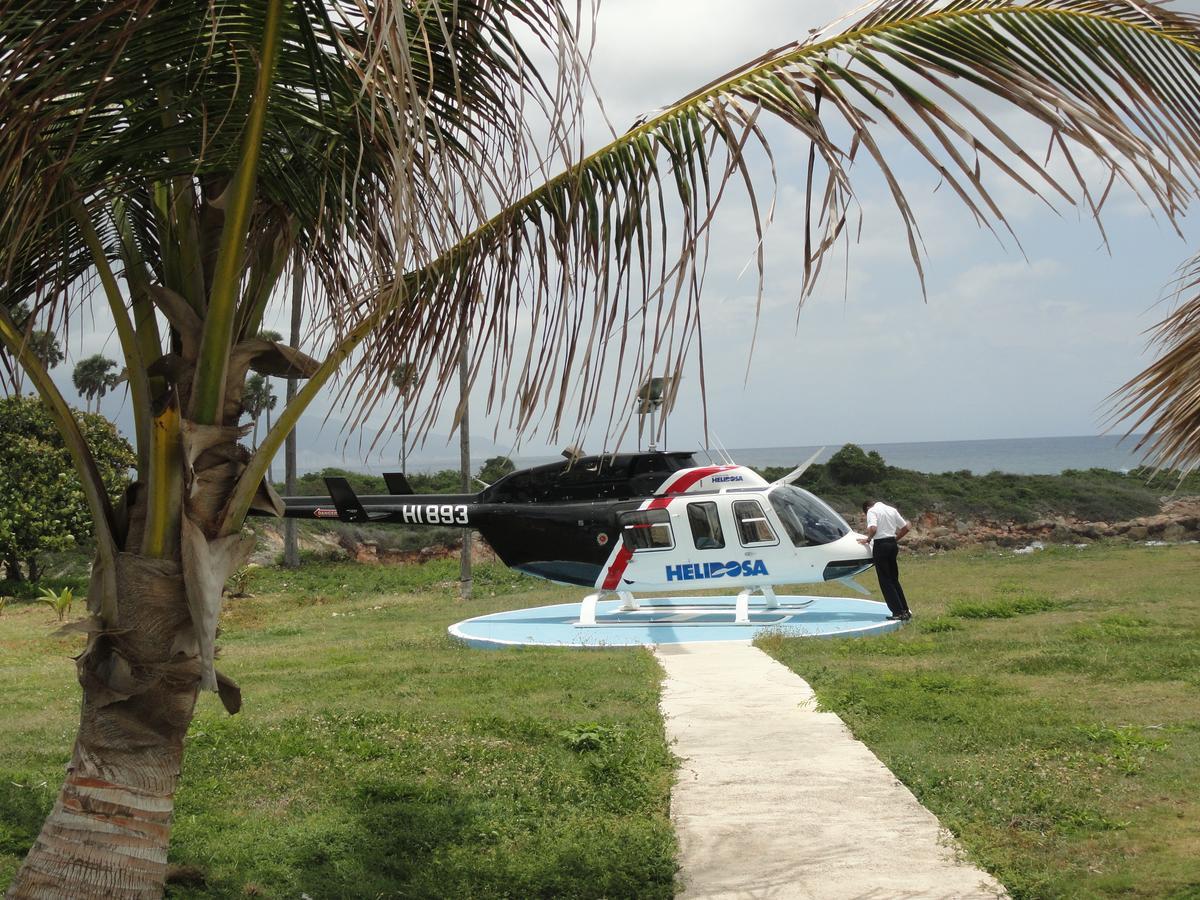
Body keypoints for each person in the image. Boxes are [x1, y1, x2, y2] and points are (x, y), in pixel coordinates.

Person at [858, 499, 911, 621]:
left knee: (885, 580)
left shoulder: (872, 511)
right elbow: (906, 527)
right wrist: (895, 539)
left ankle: (897, 612)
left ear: (866, 509)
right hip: (892, 544)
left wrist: (868, 539)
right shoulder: (891, 509)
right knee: (893, 579)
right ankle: (905, 610)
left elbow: (873, 528)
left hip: (881, 545)